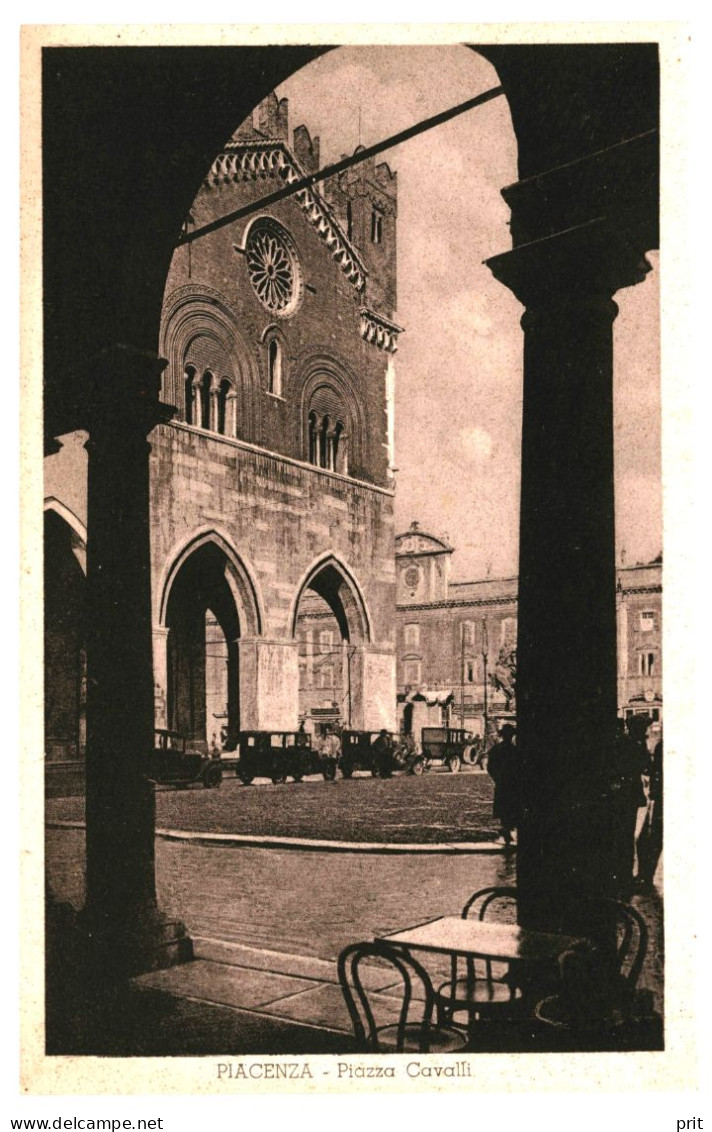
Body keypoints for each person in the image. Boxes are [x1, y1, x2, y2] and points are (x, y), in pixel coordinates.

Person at [609, 717, 648, 897]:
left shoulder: (622, 743)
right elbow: (644, 765)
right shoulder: (633, 744)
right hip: (628, 797)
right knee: (625, 836)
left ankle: (620, 874)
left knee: (621, 835)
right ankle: (624, 876)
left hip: (621, 797)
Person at [635, 731, 663, 891]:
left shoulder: (661, 747)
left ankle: (645, 876)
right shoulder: (660, 746)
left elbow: (650, 769)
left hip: (659, 798)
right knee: (649, 839)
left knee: (649, 839)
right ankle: (645, 876)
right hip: (658, 797)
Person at [487, 724, 520, 846]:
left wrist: (497, 778)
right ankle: (509, 830)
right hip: (512, 783)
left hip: (502, 783)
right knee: (512, 806)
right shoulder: (516, 750)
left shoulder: (496, 750)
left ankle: (506, 830)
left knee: (504, 806)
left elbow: (490, 767)